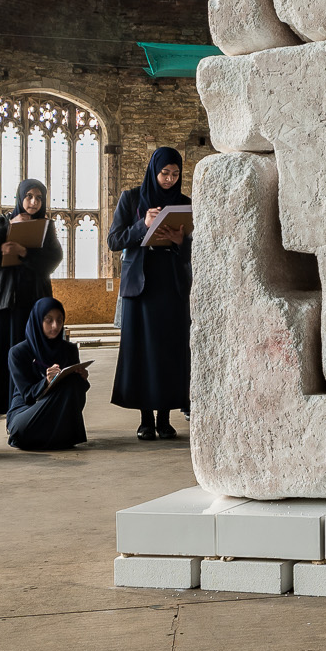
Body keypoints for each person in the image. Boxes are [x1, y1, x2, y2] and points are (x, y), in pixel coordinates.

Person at [108, 146, 193, 441]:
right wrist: (142, 225)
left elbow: (197, 247)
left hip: (171, 283)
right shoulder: (131, 199)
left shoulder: (184, 203)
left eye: (175, 174)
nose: (169, 179)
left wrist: (181, 241)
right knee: (141, 352)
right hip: (140, 286)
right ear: (153, 171)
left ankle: (166, 417)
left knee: (169, 350)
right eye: (164, 173)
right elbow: (114, 240)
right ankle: (145, 420)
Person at [0, 178, 62, 419]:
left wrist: (23, 252)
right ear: (20, 197)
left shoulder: (46, 227)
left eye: (39, 197)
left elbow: (54, 259)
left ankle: (28, 401)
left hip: (31, 302)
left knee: (29, 353)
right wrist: (8, 227)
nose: (33, 202)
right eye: (29, 196)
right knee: (1, 353)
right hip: (0, 301)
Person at [6, 295, 89, 451]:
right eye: (49, 320)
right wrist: (46, 382)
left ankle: (56, 433)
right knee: (22, 430)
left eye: (59, 320)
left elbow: (72, 398)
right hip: (27, 412)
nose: (55, 326)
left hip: (58, 415)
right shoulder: (19, 353)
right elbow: (27, 395)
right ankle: (54, 435)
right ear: (38, 321)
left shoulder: (69, 350)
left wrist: (82, 380)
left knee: (72, 383)